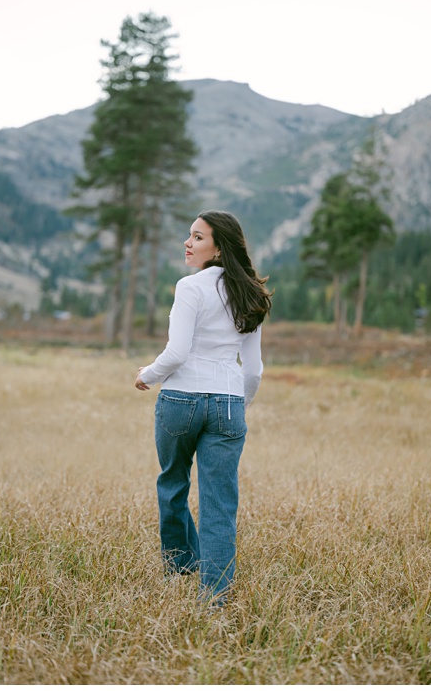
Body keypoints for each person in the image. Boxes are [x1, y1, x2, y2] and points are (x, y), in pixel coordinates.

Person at [135, 210, 272, 606]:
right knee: (220, 503)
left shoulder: (190, 288)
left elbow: (176, 353)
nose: (188, 243)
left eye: (197, 237)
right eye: (189, 236)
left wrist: (148, 373)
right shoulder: (251, 294)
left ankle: (180, 568)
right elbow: (255, 371)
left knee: (174, 483)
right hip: (228, 404)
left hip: (180, 399)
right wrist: (234, 407)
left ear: (218, 247)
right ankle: (215, 598)